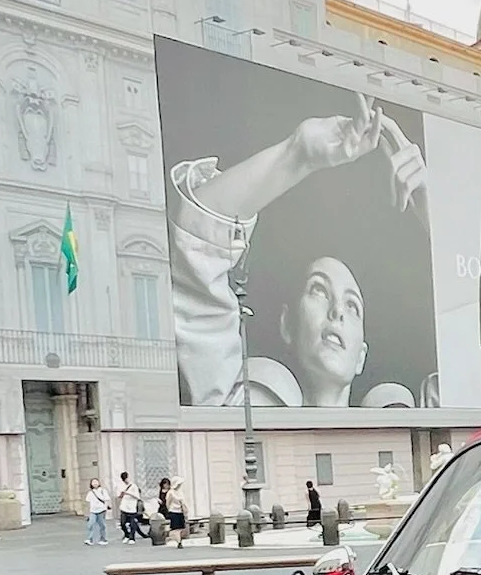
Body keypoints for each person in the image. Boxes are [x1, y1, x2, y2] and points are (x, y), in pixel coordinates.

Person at [167, 95, 427, 408]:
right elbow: (197, 243)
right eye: (318, 290)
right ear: (287, 325)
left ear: (361, 356)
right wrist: (298, 154)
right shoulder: (238, 406)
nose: (337, 312)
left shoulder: (412, 417)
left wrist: (430, 208)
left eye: (352, 306)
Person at [117, 472, 143, 543]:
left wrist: (128, 493)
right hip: (124, 506)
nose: (126, 480)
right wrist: (121, 494)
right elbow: (119, 496)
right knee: (122, 523)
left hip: (132, 507)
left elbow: (138, 497)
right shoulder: (121, 486)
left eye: (126, 478)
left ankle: (132, 538)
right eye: (124, 479)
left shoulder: (133, 486)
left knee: (132, 523)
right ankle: (127, 535)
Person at [84, 477, 109, 546]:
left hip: (101, 510)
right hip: (93, 511)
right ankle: (90, 539)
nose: (95, 483)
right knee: (91, 524)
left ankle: (103, 539)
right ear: (91, 484)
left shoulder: (103, 491)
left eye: (96, 482)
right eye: (93, 482)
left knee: (102, 525)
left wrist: (105, 508)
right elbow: (88, 502)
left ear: (99, 483)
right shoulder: (90, 492)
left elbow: (107, 500)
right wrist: (87, 512)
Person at [164, 475, 188, 546]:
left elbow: (183, 502)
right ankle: (179, 542)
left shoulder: (180, 492)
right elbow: (168, 503)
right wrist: (170, 509)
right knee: (176, 529)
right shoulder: (170, 492)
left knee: (181, 528)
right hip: (173, 512)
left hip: (180, 511)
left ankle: (178, 539)